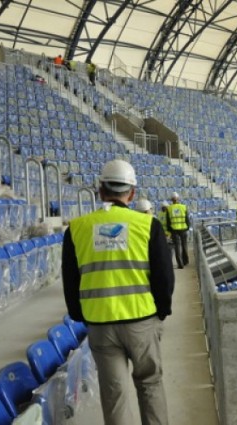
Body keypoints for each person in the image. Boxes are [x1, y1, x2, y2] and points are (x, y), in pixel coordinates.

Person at [61, 159, 174, 425]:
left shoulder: (76, 229)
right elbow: (164, 276)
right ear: (132, 193)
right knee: (150, 384)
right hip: (142, 322)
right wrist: (162, 310)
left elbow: (70, 280)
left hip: (100, 325)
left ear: (101, 190)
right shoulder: (148, 225)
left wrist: (80, 314)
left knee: (114, 394)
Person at [167, 192, 190, 269]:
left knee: (177, 247)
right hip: (183, 229)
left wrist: (170, 230)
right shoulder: (183, 207)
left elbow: (168, 221)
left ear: (171, 200)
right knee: (184, 245)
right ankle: (186, 261)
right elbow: (187, 218)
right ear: (178, 199)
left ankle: (180, 264)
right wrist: (188, 227)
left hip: (174, 230)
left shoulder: (169, 208)